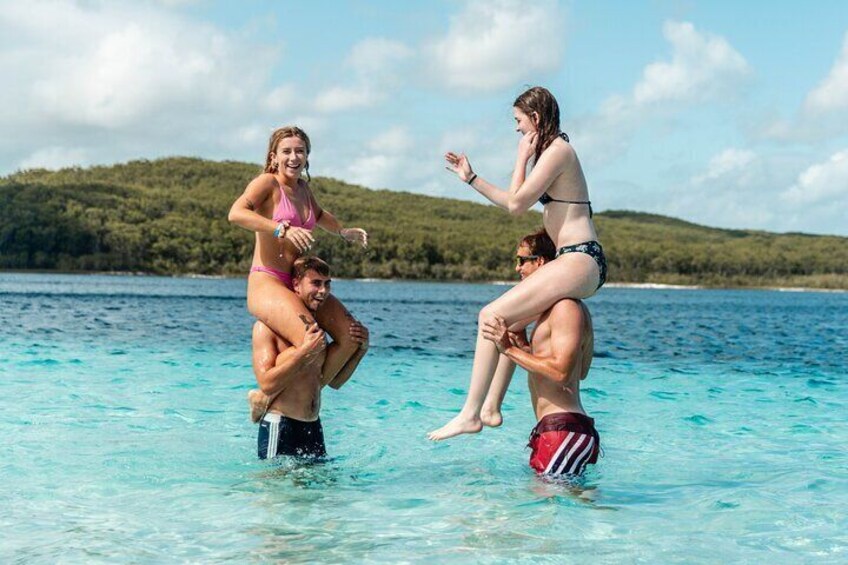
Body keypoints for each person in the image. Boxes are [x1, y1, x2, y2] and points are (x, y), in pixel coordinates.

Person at [429, 86, 607, 440]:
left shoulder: (559, 151)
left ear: (536, 118)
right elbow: (515, 200)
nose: (516, 129)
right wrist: (471, 179)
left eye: (519, 121)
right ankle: (491, 407)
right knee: (507, 326)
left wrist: (522, 158)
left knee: (489, 316)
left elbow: (515, 205)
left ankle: (470, 414)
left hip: (580, 257)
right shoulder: (552, 154)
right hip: (575, 260)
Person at [229, 126, 368, 388]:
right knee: (313, 343)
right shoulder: (267, 183)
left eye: (300, 151)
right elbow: (236, 213)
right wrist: (280, 227)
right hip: (267, 282)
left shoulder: (303, 188)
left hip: (297, 283)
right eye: (287, 151)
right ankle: (269, 396)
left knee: (352, 337)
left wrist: (343, 231)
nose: (294, 157)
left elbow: (319, 215)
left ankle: (311, 392)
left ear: (307, 157)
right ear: (274, 157)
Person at [482, 230, 600, 478]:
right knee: (557, 510)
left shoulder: (565, 308)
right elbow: (581, 370)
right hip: (561, 430)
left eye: (522, 260)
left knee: (543, 510)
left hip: (562, 430)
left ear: (541, 262)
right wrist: (526, 350)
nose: (517, 268)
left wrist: (509, 349)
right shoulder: (559, 310)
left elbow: (563, 372)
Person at [248, 256, 369, 460]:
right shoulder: (265, 329)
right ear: (296, 285)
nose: (323, 291)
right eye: (316, 283)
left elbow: (336, 382)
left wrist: (361, 351)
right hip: (281, 425)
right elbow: (266, 382)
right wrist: (302, 354)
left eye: (327, 284)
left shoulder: (317, 332)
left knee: (320, 491)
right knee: (274, 490)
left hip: (313, 426)